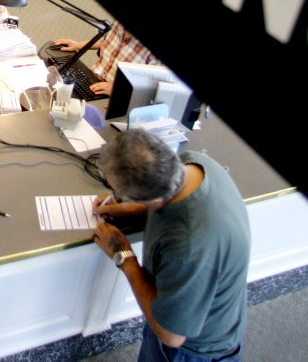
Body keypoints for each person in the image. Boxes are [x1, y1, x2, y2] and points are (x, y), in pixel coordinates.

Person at [93, 129, 250, 362]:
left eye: (118, 191)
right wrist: (134, 208)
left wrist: (124, 256)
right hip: (193, 311)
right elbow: (173, 203)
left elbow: (171, 336)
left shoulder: (187, 247)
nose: (115, 195)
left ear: (152, 198)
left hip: (191, 352)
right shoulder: (195, 163)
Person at [53, 19, 165, 96]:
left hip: (113, 96)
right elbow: (106, 41)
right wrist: (78, 45)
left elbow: (158, 88)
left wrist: (120, 90)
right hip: (92, 79)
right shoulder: (118, 25)